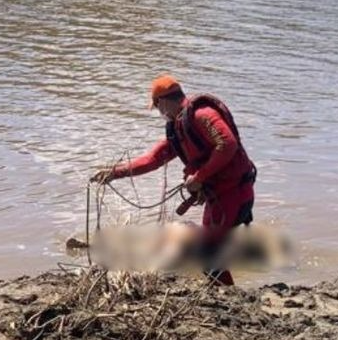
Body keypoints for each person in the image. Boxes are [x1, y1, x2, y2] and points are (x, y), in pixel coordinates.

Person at [91, 76, 257, 285]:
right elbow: (152, 160)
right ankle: (223, 290)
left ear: (162, 102)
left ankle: (232, 300)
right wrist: (115, 173)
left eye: (158, 108)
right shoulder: (180, 128)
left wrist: (199, 177)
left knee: (209, 255)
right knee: (208, 252)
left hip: (235, 192)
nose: (160, 114)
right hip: (220, 196)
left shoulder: (202, 115)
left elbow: (227, 144)